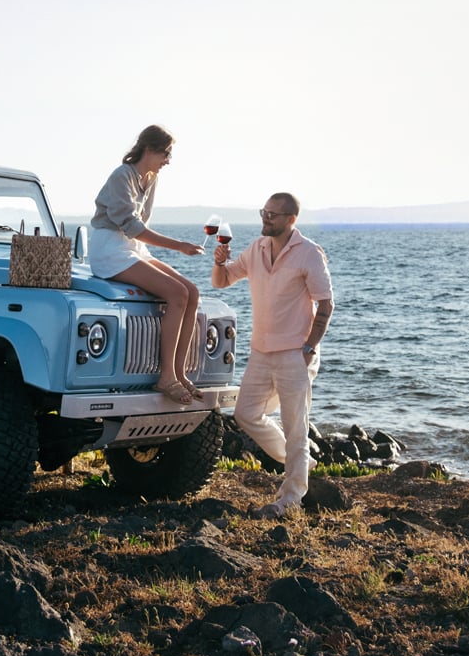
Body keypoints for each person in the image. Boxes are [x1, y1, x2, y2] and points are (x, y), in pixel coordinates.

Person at [211, 192, 334, 519]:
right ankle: (300, 463)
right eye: (264, 212)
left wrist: (309, 347)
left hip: (296, 352)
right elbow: (223, 281)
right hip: (261, 351)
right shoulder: (257, 248)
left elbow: (326, 304)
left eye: (273, 215)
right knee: (246, 413)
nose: (266, 218)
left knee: (296, 427)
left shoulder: (309, 254)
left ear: (291, 219)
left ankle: (291, 497)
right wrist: (219, 261)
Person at [91, 125, 205, 404]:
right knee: (176, 294)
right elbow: (132, 227)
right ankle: (166, 377)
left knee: (191, 292)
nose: (168, 160)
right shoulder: (122, 176)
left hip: (132, 247)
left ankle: (178, 372)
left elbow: (140, 231)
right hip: (110, 248)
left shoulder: (150, 178)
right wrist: (179, 246)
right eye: (165, 153)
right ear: (149, 149)